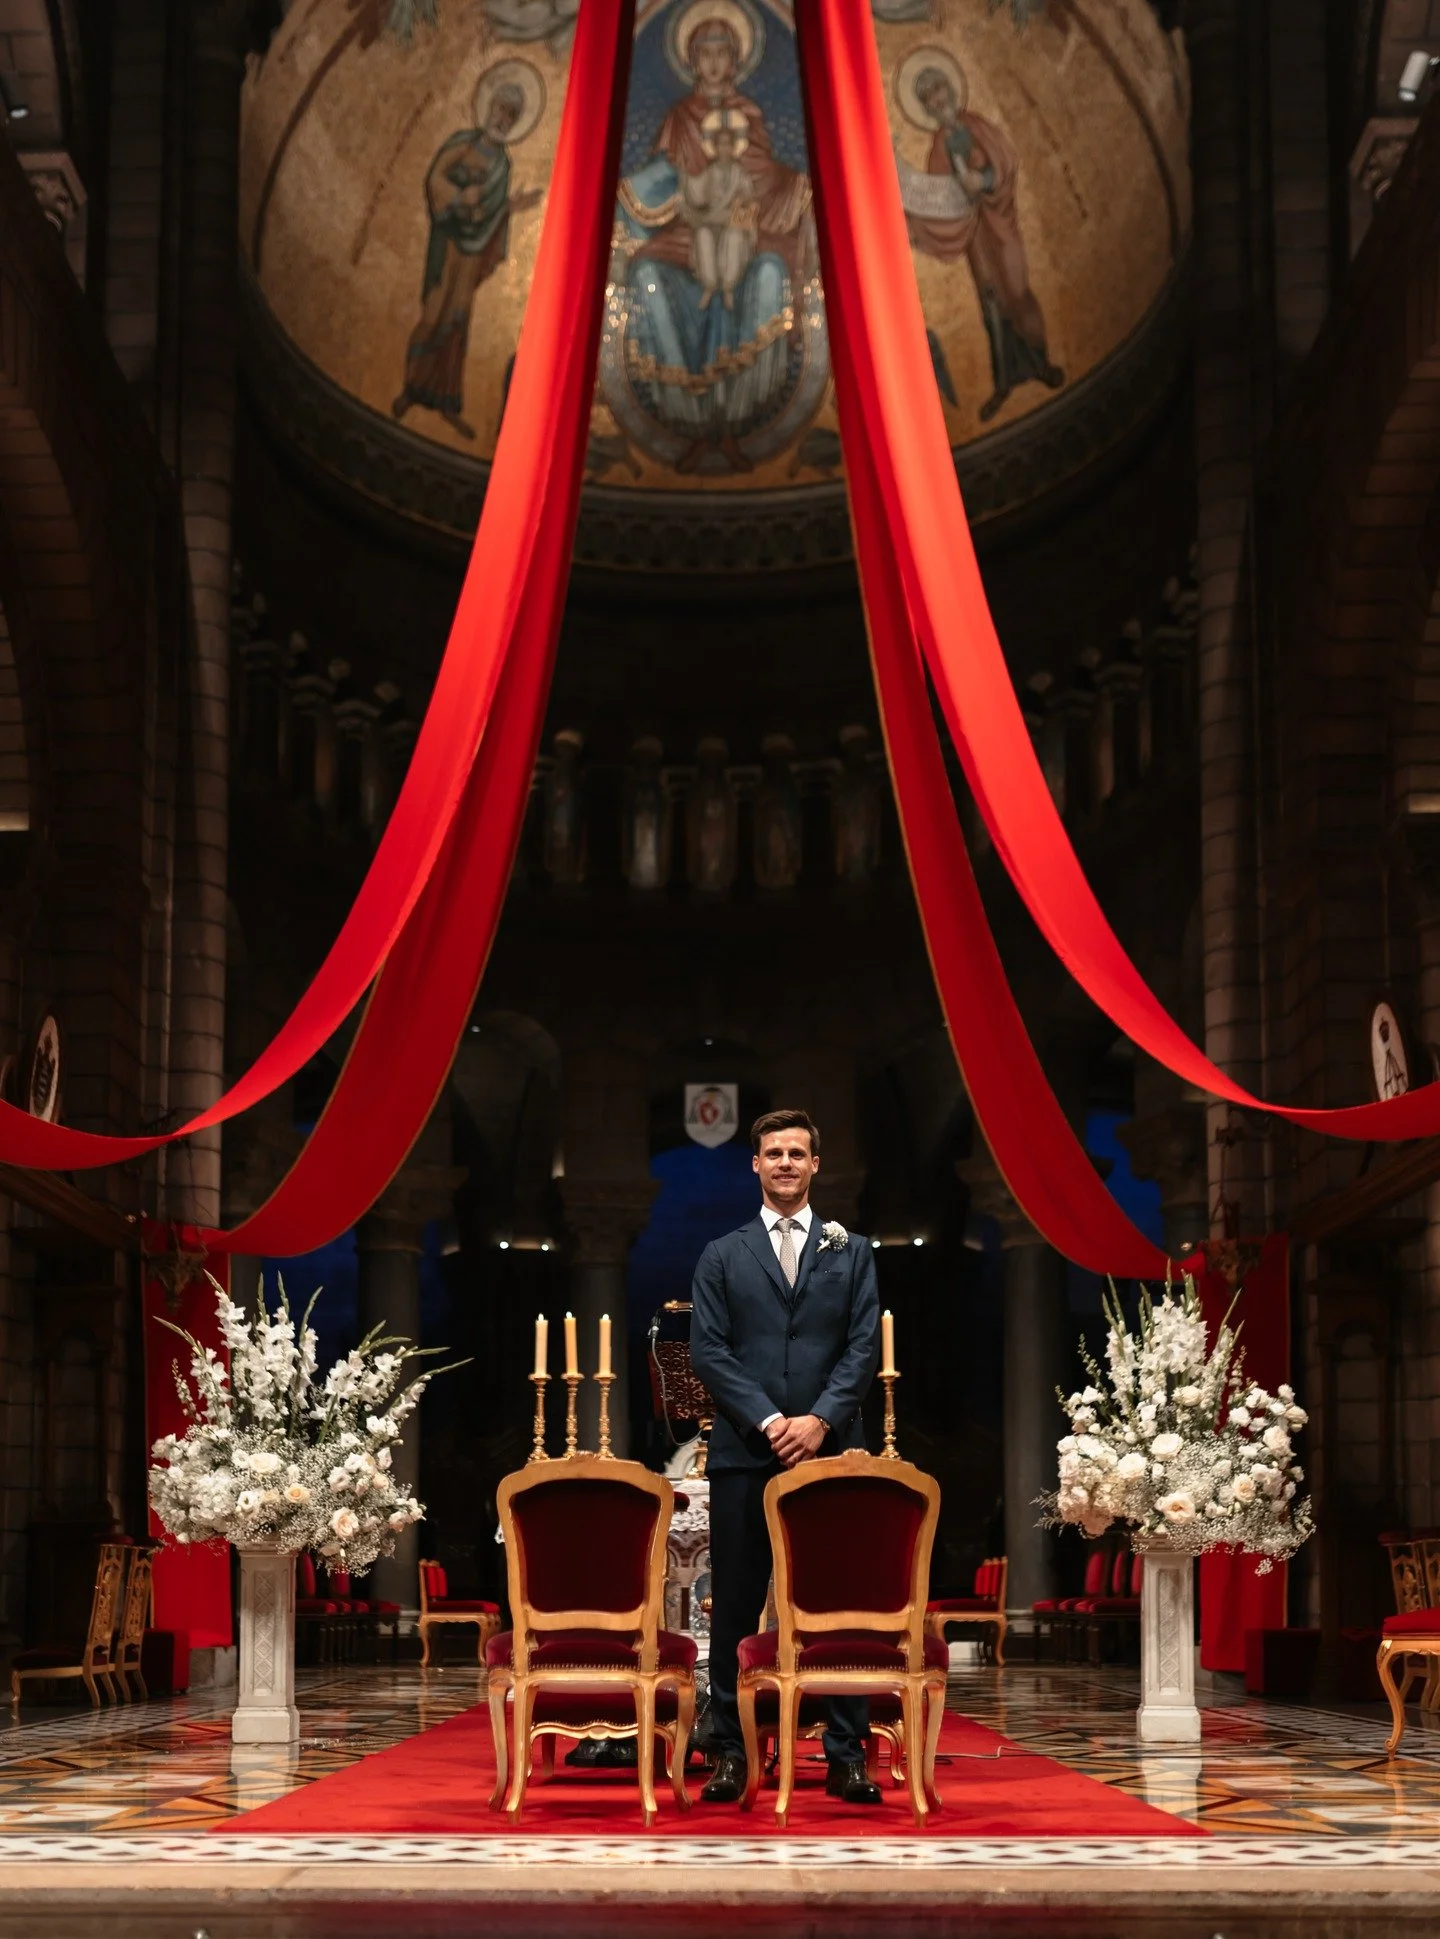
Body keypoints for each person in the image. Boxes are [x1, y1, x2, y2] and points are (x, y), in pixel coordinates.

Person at [690, 1108, 882, 1806]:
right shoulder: (721, 1254)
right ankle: (732, 1753)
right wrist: (774, 1421)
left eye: (798, 1152)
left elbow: (862, 1348)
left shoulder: (852, 1250)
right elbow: (709, 1350)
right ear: (755, 1164)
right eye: (774, 1152)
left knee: (837, 1605)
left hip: (831, 1456)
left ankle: (844, 1754)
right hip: (746, 1452)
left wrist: (821, 1420)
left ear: (815, 1164)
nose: (786, 1163)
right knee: (736, 1604)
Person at [900, 65, 1063, 422]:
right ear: (926, 109)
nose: (939, 101)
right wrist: (913, 219)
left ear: (951, 90)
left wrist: (983, 179)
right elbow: (937, 198)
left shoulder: (976, 124)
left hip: (1000, 225)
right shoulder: (939, 146)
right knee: (990, 304)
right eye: (930, 99)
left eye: (940, 91)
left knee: (1017, 291)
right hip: (975, 236)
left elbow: (1006, 160)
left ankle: (1041, 363)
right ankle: (1004, 381)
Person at [392, 81, 541, 439]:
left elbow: (490, 210)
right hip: (448, 243)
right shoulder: (464, 142)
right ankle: (410, 389)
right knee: (433, 313)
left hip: (473, 252)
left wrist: (510, 207)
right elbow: (434, 180)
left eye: (511, 115)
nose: (503, 119)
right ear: (489, 108)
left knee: (458, 320)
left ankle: (446, 400)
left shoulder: (503, 165)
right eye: (501, 110)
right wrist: (460, 198)